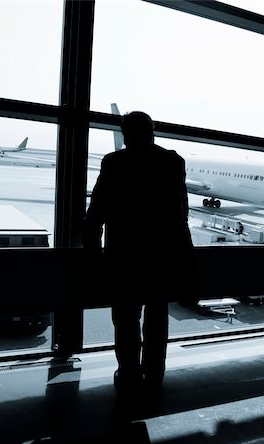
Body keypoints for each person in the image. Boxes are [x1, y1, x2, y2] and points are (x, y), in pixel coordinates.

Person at [83, 111, 194, 395]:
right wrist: (185, 256)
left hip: (124, 257)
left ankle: (129, 372)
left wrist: (93, 253)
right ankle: (155, 372)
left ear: (125, 134)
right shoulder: (172, 161)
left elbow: (97, 212)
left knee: (125, 320)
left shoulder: (115, 162)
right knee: (157, 319)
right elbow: (180, 213)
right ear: (152, 131)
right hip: (161, 256)